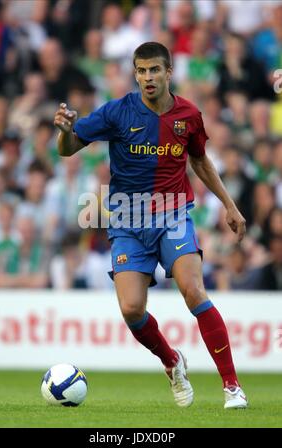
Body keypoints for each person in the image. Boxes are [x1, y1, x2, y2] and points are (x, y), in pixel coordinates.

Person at [54, 42, 248, 409]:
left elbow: (201, 161)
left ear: (168, 72)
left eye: (154, 70)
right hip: (127, 221)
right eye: (141, 71)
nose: (147, 78)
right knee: (131, 309)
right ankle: (172, 362)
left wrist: (229, 204)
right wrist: (65, 131)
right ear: (136, 74)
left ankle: (232, 386)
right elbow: (68, 148)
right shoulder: (117, 112)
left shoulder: (189, 114)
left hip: (173, 215)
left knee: (194, 291)